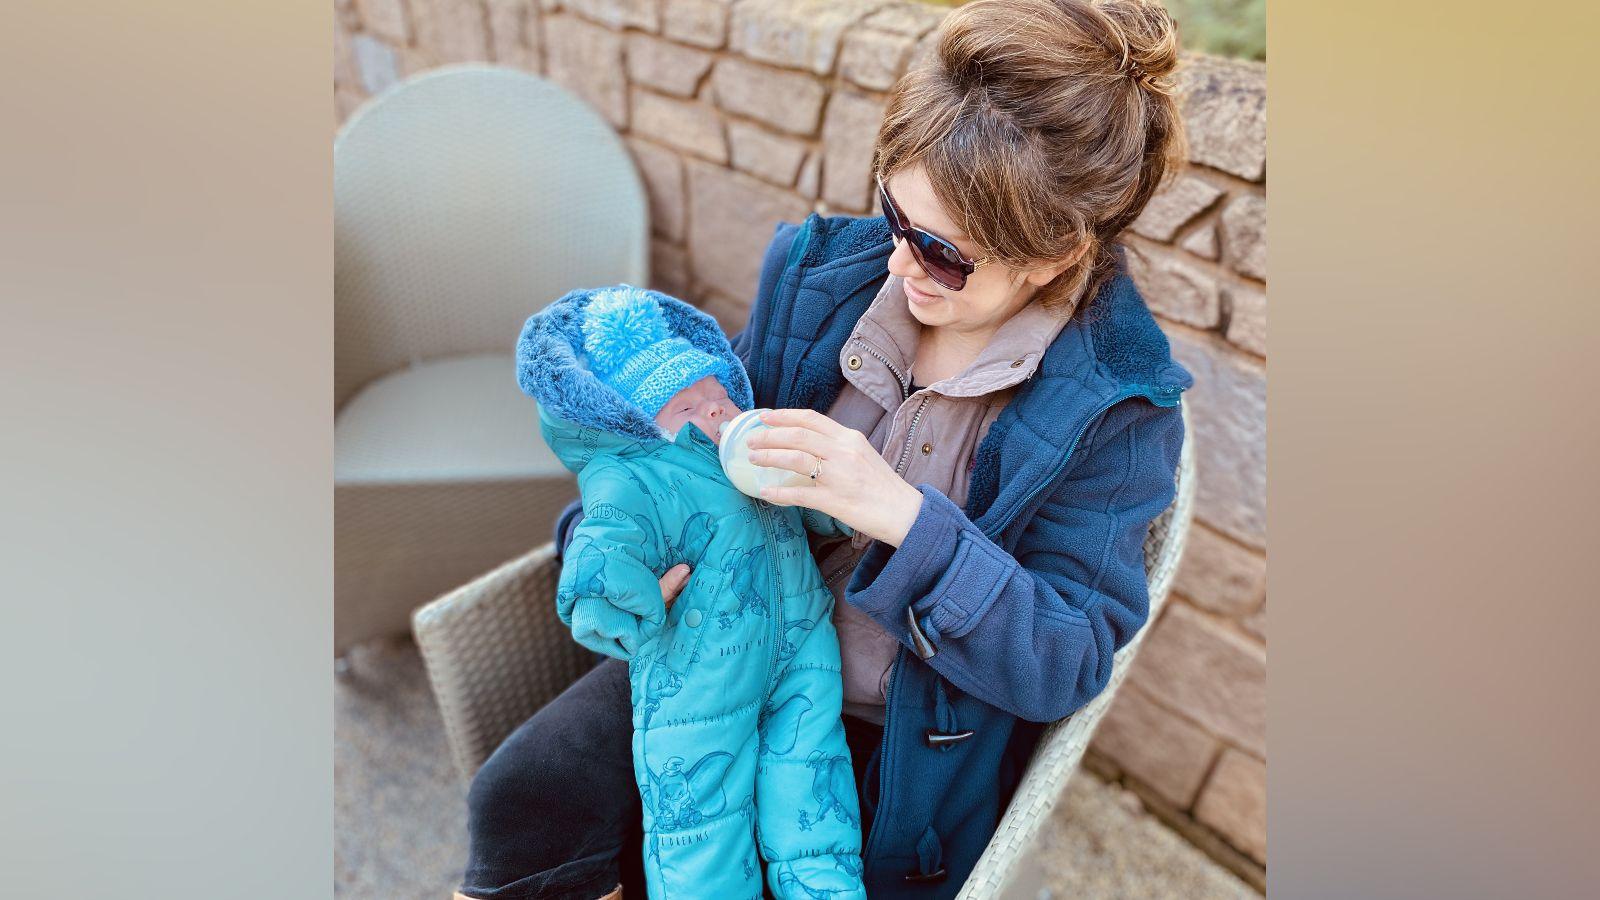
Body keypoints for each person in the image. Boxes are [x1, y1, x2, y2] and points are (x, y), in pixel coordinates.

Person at [457, 1, 1192, 897]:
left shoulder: (1118, 410)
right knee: (520, 801)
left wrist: (898, 514)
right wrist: (610, 552)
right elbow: (683, 450)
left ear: (1054, 253)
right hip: (725, 643)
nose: (898, 264)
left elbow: (1066, 659)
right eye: (894, 214)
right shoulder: (819, 276)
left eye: (944, 255)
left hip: (896, 739)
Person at [515, 285, 865, 900]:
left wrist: (832, 503)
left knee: (813, 794)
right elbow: (601, 548)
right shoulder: (631, 479)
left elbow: (806, 508)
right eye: (689, 406)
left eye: (720, 395)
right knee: (701, 830)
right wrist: (613, 596)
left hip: (802, 652)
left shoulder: (751, 457)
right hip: (697, 678)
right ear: (641, 424)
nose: (718, 412)